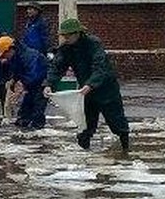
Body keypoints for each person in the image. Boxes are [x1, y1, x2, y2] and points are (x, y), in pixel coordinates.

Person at [47, 18, 130, 153]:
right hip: (86, 92)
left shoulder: (93, 44)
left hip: (106, 89)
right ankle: (85, 153)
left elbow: (100, 67)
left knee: (116, 121)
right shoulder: (65, 49)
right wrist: (49, 84)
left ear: (78, 33)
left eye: (68, 36)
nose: (66, 38)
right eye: (64, 36)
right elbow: (57, 67)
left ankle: (125, 148)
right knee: (85, 125)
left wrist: (91, 84)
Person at [0, 35, 48, 129]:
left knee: (37, 108)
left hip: (42, 82)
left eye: (5, 54)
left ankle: (38, 129)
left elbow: (34, 75)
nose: (5, 57)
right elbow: (18, 71)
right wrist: (13, 80)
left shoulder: (29, 56)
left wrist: (21, 88)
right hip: (31, 84)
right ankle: (23, 123)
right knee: (25, 109)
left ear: (10, 49)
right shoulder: (16, 57)